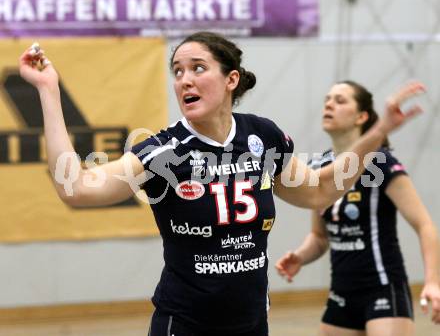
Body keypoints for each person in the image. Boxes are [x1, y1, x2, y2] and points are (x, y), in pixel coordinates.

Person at [19, 33, 425, 336]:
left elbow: (319, 190)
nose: (184, 80)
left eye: (197, 68)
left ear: (231, 79)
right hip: (185, 322)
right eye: (177, 71)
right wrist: (49, 92)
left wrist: (379, 131)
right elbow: (77, 187)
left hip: (250, 322)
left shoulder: (263, 137)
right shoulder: (164, 151)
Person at [275, 80, 440, 336]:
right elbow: (320, 237)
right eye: (327, 99)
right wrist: (300, 256)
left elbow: (424, 225)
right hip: (341, 293)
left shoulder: (380, 162)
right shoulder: (320, 169)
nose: (329, 104)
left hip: (383, 289)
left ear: (361, 116)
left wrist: (432, 282)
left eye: (340, 101)